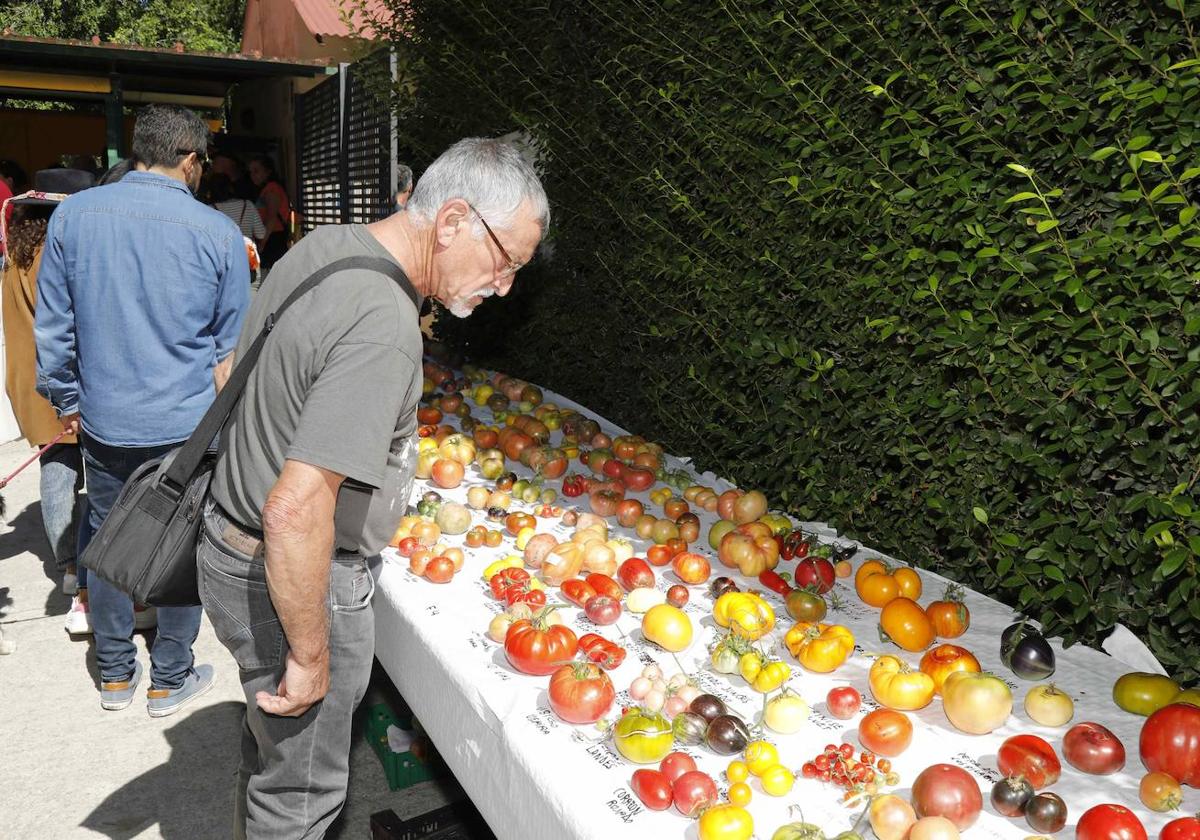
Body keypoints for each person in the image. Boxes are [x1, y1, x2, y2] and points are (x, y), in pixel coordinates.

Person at [201, 137, 548, 838]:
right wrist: (309, 651)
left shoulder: (324, 246)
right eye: (505, 261)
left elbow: (228, 370)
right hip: (294, 574)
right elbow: (295, 507)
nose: (504, 285)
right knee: (301, 794)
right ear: (452, 221)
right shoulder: (386, 325)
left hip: (229, 542)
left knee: (273, 756)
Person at [35, 104, 250, 715]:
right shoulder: (216, 233)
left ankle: (113, 674)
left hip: (105, 419)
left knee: (105, 538)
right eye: (202, 162)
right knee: (180, 542)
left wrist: (67, 401)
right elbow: (228, 347)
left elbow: (55, 330)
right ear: (188, 159)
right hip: (186, 424)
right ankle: (169, 676)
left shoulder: (72, 217)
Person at [1, 169, 93, 626]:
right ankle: (76, 572)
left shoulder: (16, 251)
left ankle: (68, 568)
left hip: (26, 381)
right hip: (59, 382)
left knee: (54, 471)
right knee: (75, 479)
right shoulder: (50, 254)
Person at [247, 154, 290, 274]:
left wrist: (262, 243)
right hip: (271, 237)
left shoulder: (272, 189)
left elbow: (271, 218)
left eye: (256, 171)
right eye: (251, 172)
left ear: (268, 172)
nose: (252, 175)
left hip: (273, 238)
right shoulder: (266, 189)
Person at [209, 173, 267, 244]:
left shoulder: (210, 210)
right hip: (247, 252)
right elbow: (261, 234)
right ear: (231, 188)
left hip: (225, 253)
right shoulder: (248, 204)